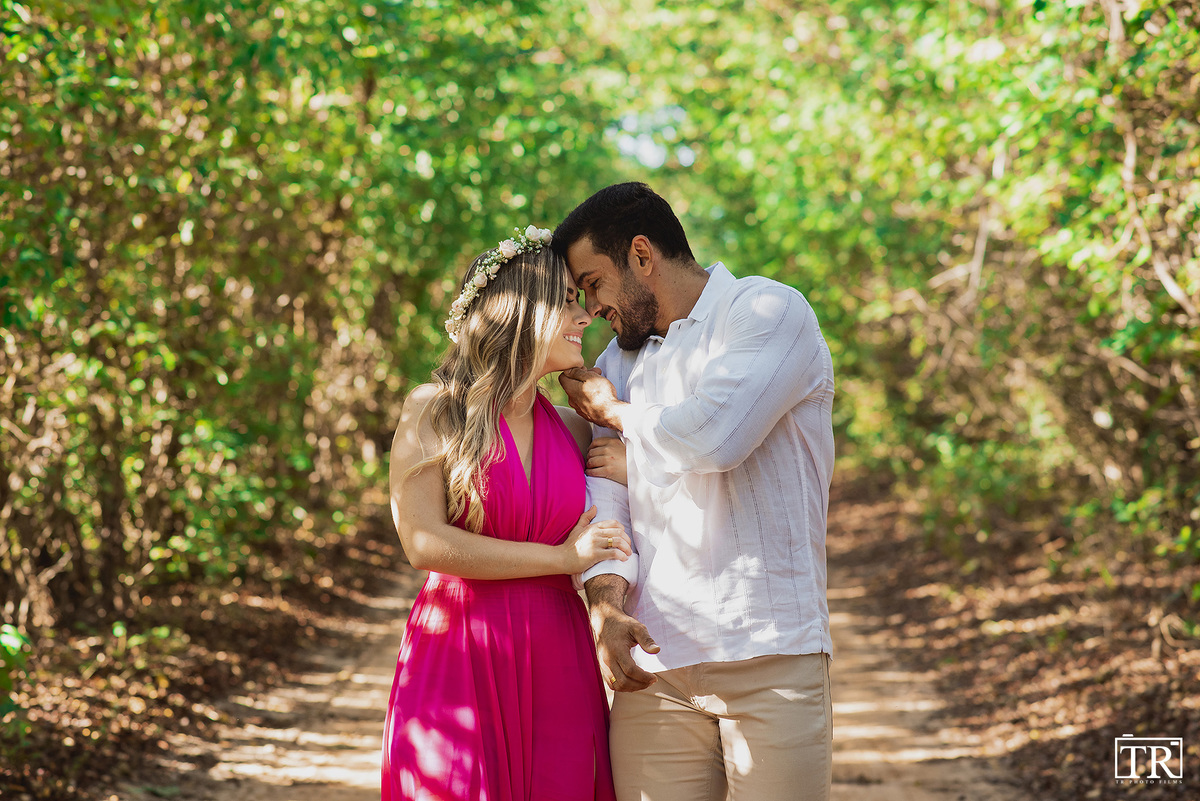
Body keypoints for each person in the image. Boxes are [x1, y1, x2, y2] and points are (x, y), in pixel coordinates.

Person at [552, 183, 837, 801]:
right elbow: (602, 490)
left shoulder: (767, 312)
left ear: (641, 255)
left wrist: (619, 417)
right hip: (655, 667)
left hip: (769, 652)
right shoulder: (628, 358)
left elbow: (717, 435)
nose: (593, 306)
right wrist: (605, 602)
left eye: (595, 282)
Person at [381, 225, 632, 801]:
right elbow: (422, 543)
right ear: (523, 308)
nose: (585, 314)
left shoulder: (572, 428)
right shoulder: (434, 409)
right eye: (568, 300)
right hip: (459, 646)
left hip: (557, 654)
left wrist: (629, 457)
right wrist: (560, 557)